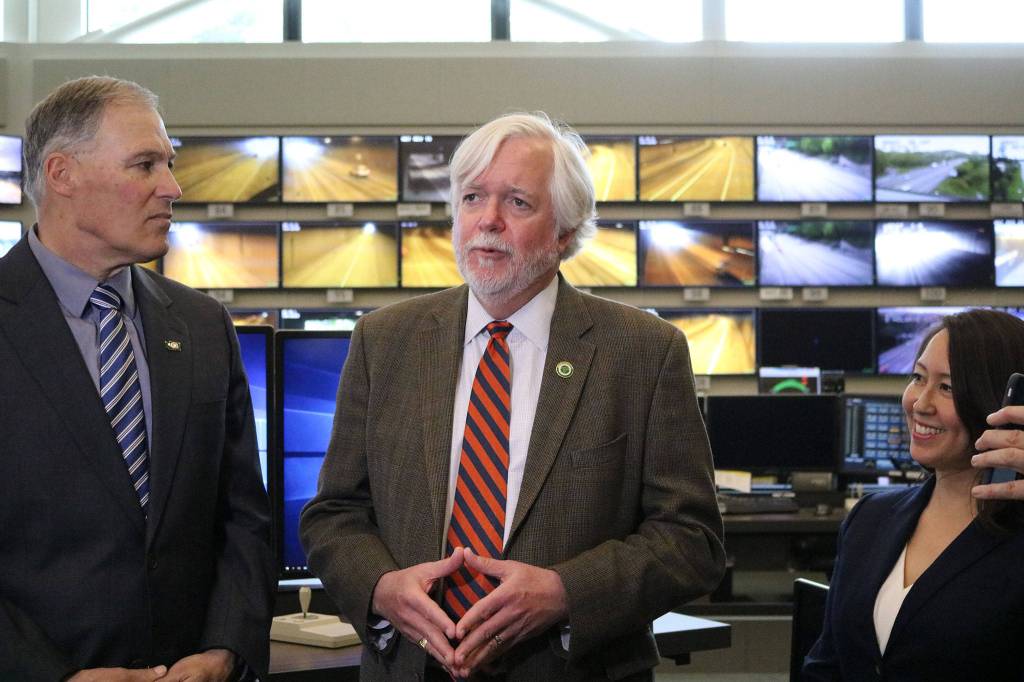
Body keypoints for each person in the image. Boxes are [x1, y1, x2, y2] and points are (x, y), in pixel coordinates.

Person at [300, 112, 725, 681]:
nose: (488, 222)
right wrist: (380, 588)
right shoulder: (385, 341)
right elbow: (335, 514)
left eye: (518, 203)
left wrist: (565, 592)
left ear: (566, 231)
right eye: (473, 197)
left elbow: (691, 540)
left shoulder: (644, 353)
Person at [0, 76, 274, 681]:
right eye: (145, 164)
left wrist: (225, 649)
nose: (173, 187)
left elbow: (243, 517)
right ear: (63, 173)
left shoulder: (204, 325)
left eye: (169, 163)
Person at [803, 309, 1024, 681]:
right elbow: (827, 666)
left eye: (947, 387)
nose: (920, 403)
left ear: (1000, 405)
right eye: (918, 378)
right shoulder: (870, 517)